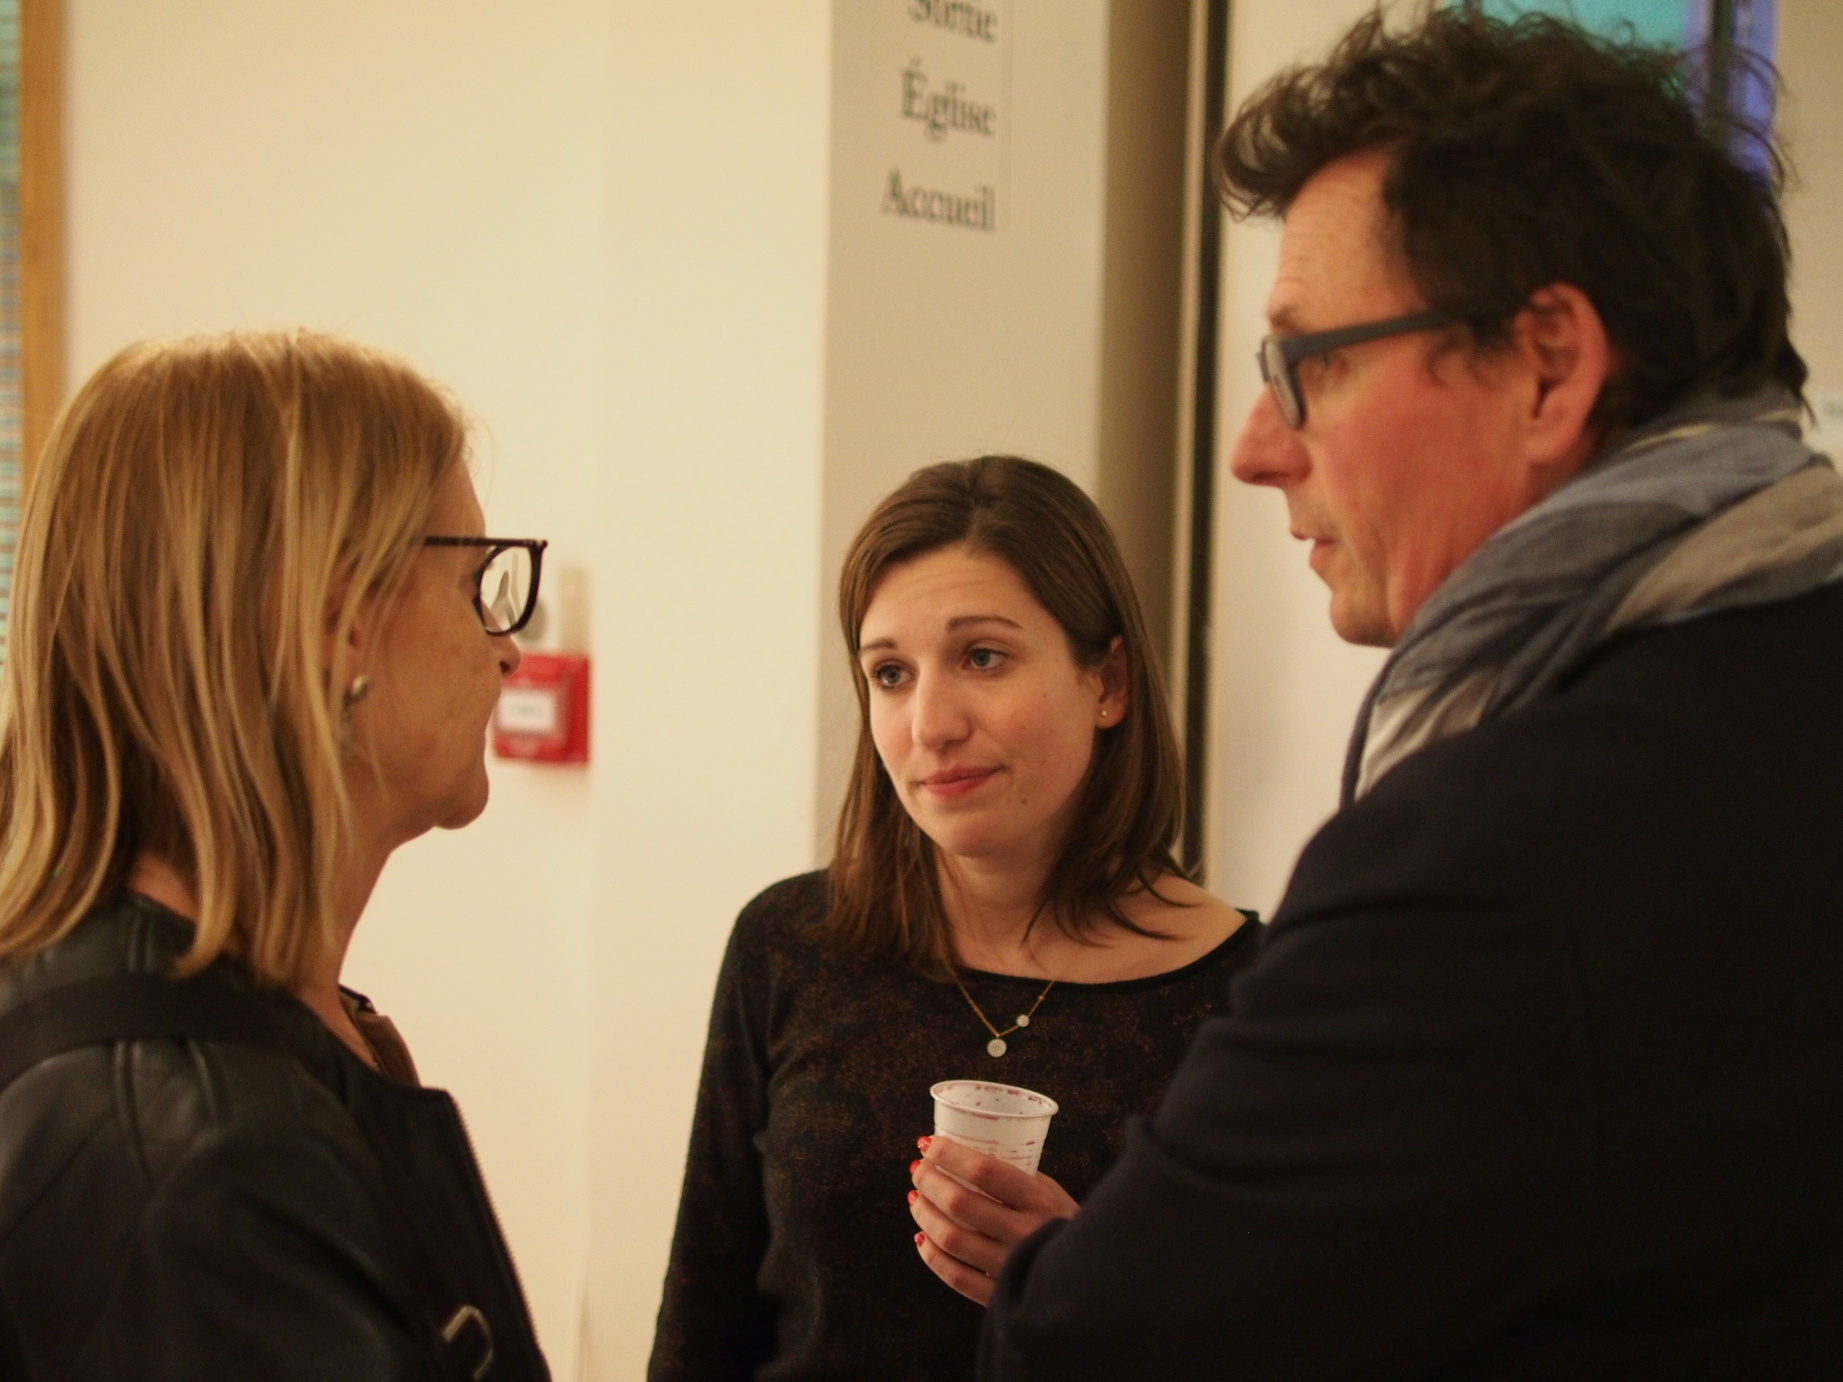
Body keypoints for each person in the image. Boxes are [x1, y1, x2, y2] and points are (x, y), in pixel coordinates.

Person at [911, 8, 1843, 1378]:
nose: (1253, 448)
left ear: (1545, 365)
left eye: (1311, 363)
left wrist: (1074, 1269)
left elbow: (1095, 1351)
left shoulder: (1494, 862)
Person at [0, 332, 552, 1380]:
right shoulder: (206, 1166)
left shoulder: (253, 1033)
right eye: (474, 583)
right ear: (341, 627)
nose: (507, 647)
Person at [647, 456, 1259, 1382]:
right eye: (890, 674)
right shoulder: (792, 941)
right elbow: (701, 1322)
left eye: (982, 657)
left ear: (1108, 682)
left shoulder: (1250, 997)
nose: (929, 724)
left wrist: (1095, 1288)